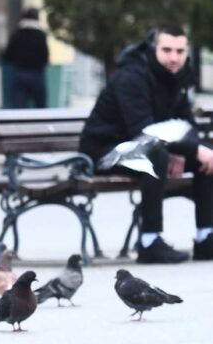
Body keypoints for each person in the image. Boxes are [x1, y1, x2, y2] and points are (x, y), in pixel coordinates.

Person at [79, 25, 213, 263]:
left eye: (180, 51)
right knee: (155, 158)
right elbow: (143, 131)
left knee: (208, 155)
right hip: (104, 150)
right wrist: (188, 148)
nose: (174, 57)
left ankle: (206, 238)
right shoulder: (131, 76)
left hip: (145, 144)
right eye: (167, 50)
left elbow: (187, 124)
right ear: (154, 48)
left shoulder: (177, 77)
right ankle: (149, 242)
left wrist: (187, 151)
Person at [2, 7, 50, 108]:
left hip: (20, 74)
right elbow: (45, 57)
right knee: (41, 109)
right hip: (37, 74)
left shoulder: (17, 34)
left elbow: (7, 56)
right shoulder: (40, 35)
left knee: (19, 111)